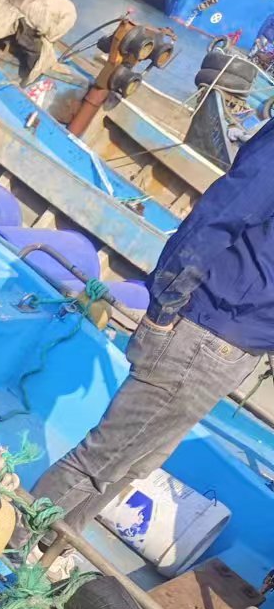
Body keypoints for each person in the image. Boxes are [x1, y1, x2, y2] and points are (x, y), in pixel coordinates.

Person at [32, 116, 274, 528]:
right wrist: (165, 308)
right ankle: (8, 545)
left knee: (135, 464)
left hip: (238, 346)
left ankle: (46, 547)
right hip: (206, 330)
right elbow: (223, 213)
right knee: (102, 460)